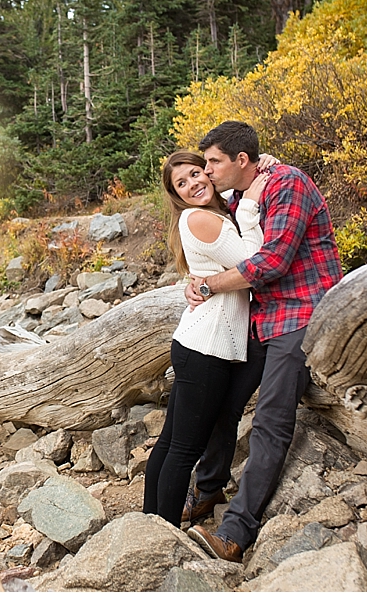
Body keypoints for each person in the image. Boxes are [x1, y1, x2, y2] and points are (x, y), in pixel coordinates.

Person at [181, 120, 343, 563]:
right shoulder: (242, 194)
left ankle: (236, 532)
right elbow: (226, 241)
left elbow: (270, 262)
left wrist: (211, 285)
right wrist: (194, 281)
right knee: (223, 400)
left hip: (304, 313)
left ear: (241, 160)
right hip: (264, 317)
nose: (207, 171)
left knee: (271, 419)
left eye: (214, 162)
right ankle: (207, 490)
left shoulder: (288, 183)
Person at [142, 150, 268, 526]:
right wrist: (249, 207)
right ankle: (162, 532)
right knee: (184, 449)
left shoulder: (213, 212)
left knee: (170, 443)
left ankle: (150, 521)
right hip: (205, 350)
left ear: (209, 171)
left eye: (197, 173)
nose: (194, 184)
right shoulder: (201, 218)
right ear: (176, 195)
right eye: (182, 183)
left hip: (195, 343)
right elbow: (255, 262)